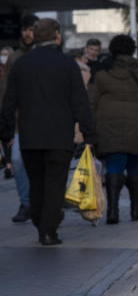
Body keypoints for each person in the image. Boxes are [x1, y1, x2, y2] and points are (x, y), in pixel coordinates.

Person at [0, 18, 94, 246]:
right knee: (54, 183)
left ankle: (39, 221)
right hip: (59, 136)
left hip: (29, 135)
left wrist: (7, 135)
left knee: (36, 181)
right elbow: (80, 103)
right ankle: (49, 231)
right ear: (57, 36)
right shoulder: (67, 64)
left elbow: (8, 102)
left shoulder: (21, 64)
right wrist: (89, 135)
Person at [88, 34, 138, 224]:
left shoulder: (101, 72)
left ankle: (112, 211)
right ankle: (136, 211)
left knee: (114, 165)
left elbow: (91, 102)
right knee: (136, 164)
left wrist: (90, 128)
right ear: (132, 49)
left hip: (108, 124)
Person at [2, 14, 38, 224]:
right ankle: (26, 203)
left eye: (31, 29)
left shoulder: (47, 53)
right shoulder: (14, 58)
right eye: (25, 29)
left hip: (42, 120)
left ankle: (40, 201)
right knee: (17, 160)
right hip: (18, 121)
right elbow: (6, 90)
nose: (27, 33)